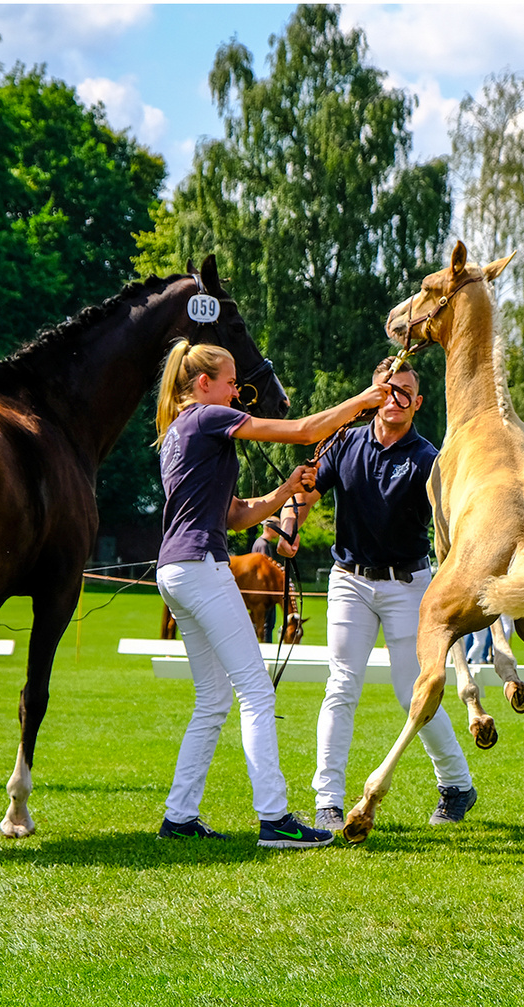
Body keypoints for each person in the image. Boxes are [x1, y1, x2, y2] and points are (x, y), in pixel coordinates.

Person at [154, 339, 390, 847]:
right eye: (231, 380)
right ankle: (275, 819)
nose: (239, 390)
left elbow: (235, 514)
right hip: (201, 568)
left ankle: (179, 817)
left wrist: (284, 494)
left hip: (175, 570)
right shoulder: (206, 418)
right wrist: (364, 399)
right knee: (255, 691)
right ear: (203, 384)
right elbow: (304, 430)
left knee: (213, 699)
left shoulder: (177, 431)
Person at [282, 358, 480, 832]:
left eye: (405, 391)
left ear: (418, 401)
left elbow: (452, 521)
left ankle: (456, 786)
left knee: (411, 690)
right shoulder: (345, 441)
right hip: (348, 579)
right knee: (341, 686)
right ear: (373, 393)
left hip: (408, 585)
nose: (395, 399)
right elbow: (306, 490)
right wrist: (287, 524)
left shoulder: (429, 459)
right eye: (388, 389)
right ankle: (327, 799)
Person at [251, 518, 284, 643]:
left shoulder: (260, 543)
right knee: (267, 625)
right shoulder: (263, 545)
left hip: (263, 592)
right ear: (270, 528)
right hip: (264, 594)